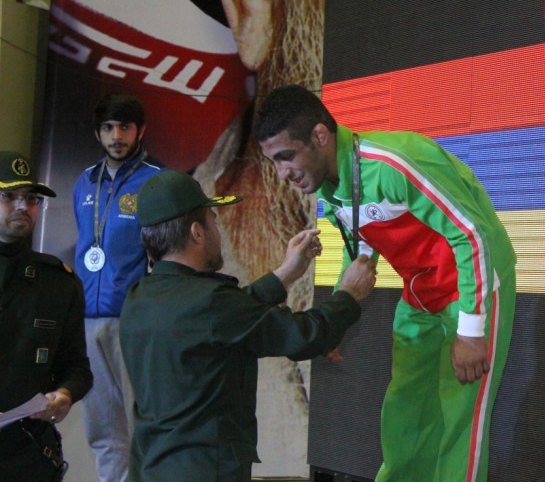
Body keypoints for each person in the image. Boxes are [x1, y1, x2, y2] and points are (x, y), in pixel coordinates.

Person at [255, 84, 517, 482]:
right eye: (273, 162)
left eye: (286, 157)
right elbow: (360, 249)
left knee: (460, 421)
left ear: (320, 136)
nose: (282, 174)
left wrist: (471, 330)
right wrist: (337, 318)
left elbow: (471, 235)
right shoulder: (331, 187)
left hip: (473, 289)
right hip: (421, 292)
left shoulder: (394, 164)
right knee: (404, 413)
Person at [119, 170, 377, 481]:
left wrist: (285, 274)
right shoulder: (210, 302)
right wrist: (349, 294)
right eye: (213, 220)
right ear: (197, 233)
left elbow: (225, 318)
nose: (218, 230)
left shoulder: (139, 297)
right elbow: (302, 336)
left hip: (151, 469)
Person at [72, 93, 163, 482]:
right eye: (108, 128)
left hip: (134, 320)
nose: (116, 136)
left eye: (125, 127)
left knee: (142, 422)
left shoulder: (157, 181)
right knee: (103, 428)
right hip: (87, 321)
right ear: (98, 133)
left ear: (140, 130)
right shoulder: (84, 182)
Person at [0, 151, 93, 480]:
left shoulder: (58, 283)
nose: (23, 206)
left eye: (31, 198)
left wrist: (65, 394)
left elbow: (77, 367)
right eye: (10, 196)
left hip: (25, 450)